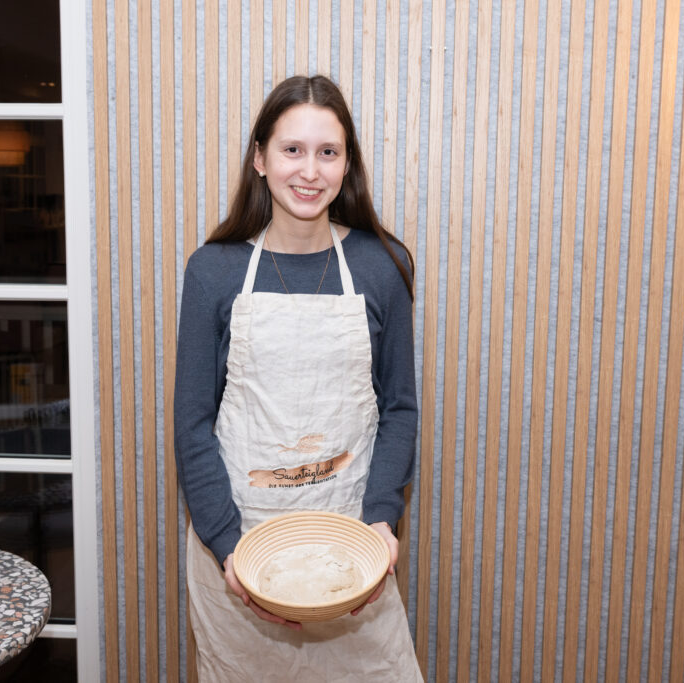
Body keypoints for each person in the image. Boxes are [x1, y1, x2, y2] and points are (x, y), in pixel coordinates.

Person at [174, 74, 422, 682]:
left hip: (352, 553)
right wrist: (230, 549)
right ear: (260, 158)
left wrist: (381, 522)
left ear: (346, 165)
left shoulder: (381, 265)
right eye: (292, 150)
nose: (309, 171)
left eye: (328, 152)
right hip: (238, 551)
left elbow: (400, 410)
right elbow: (192, 424)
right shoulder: (213, 271)